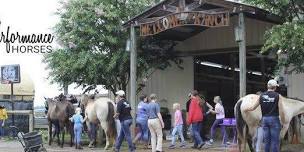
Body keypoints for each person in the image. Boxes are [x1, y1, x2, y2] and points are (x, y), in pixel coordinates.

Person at [245, 79, 285, 152]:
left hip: (264, 120)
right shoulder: (278, 96)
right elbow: (281, 110)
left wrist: (246, 109)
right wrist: (283, 119)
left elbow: (253, 107)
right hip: (274, 119)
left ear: (267, 86)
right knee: (275, 140)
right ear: (275, 87)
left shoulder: (261, 96)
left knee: (267, 140)